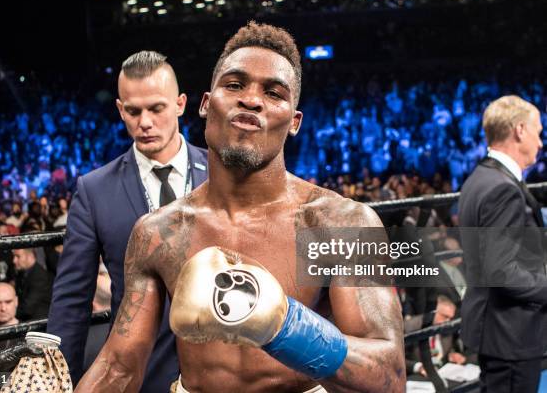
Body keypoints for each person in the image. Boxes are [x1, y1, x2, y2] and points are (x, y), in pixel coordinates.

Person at [76, 22, 404, 393]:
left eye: (274, 92)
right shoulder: (159, 232)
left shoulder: (340, 223)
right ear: (204, 104)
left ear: (294, 122)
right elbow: (120, 366)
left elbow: (388, 375)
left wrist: (285, 327)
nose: (251, 99)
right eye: (234, 85)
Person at [47, 50, 208, 391]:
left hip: (223, 374)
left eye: (156, 108)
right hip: (143, 375)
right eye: (133, 111)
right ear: (121, 110)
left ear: (180, 104)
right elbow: (72, 301)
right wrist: (62, 382)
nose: (145, 122)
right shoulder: (94, 191)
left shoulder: (223, 174)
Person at [459, 95, 546, 392]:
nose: (541, 142)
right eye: (539, 132)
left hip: (498, 330)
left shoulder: (480, 178)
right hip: (509, 334)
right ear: (520, 130)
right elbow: (503, 272)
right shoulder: (501, 188)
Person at [12, 248, 52, 321]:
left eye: (18, 256)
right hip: (28, 317)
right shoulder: (22, 273)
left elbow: (27, 308)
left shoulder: (40, 276)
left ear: (30, 256)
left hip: (39, 321)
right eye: (14, 256)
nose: (14, 260)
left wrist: (8, 313)